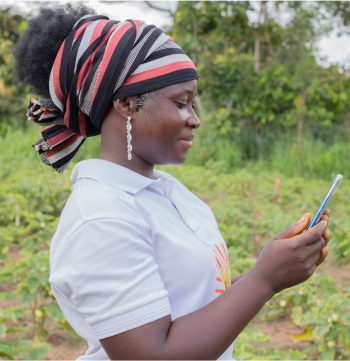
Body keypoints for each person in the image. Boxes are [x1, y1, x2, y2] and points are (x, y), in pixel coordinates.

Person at [13, 4, 331, 361]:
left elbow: (194, 306)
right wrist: (264, 281)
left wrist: (269, 267)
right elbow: (154, 353)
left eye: (193, 105)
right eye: (182, 103)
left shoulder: (166, 192)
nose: (194, 120)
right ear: (126, 103)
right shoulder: (101, 219)